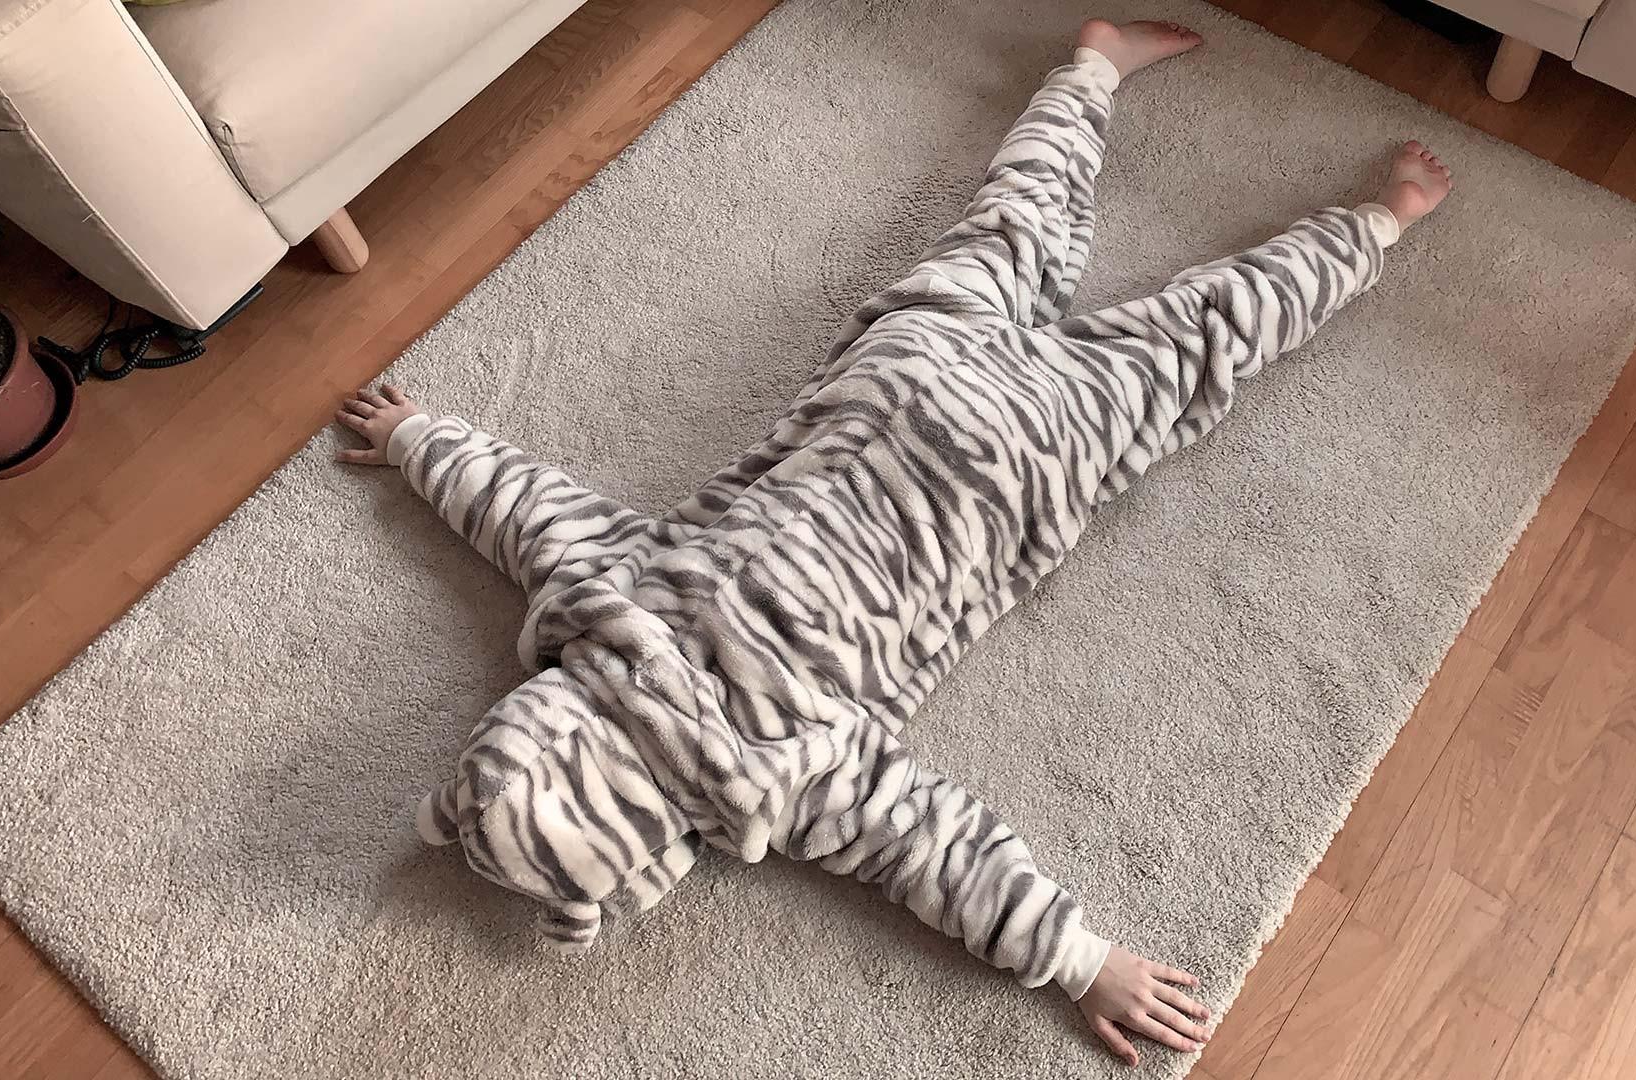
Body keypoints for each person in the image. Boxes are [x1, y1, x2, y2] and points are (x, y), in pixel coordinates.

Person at [334, 17, 1451, 1066]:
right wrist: (421, 438)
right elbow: (528, 512)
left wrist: (1080, 962)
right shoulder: (616, 606)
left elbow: (933, 849)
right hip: (900, 375)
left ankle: (1378, 223)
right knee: (1014, 219)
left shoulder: (787, 769)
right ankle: (1093, 69)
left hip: (1027, 458)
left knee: (1203, 338)